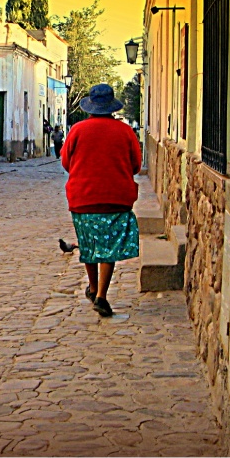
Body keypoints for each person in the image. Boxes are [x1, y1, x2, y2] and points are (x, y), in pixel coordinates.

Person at [60, 83, 142, 317]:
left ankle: (93, 285)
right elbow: (136, 165)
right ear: (112, 107)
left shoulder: (77, 130)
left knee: (89, 244)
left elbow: (66, 161)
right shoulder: (125, 131)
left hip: (83, 197)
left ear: (90, 107)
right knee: (109, 247)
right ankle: (101, 296)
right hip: (116, 198)